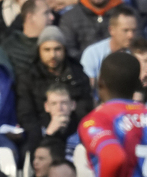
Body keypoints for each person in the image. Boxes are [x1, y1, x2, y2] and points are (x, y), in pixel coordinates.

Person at [15, 27, 93, 156]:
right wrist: (47, 132)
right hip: (40, 134)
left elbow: (84, 109)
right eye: (47, 50)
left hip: (74, 133)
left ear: (64, 49)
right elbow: (26, 114)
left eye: (57, 49)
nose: (52, 55)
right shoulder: (29, 77)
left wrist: (65, 126)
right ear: (39, 50)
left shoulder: (78, 74)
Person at [80, 5, 137, 88]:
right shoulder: (92, 53)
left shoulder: (137, 53)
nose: (131, 35)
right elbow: (86, 85)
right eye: (125, 30)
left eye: (133, 30)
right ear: (111, 30)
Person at [57, 0, 127, 60]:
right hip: (81, 70)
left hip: (120, 67)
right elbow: (68, 49)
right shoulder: (70, 17)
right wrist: (88, 61)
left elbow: (134, 43)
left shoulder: (127, 14)